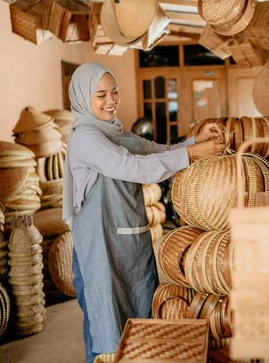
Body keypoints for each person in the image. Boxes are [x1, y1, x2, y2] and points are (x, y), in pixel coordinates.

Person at [62, 63, 224, 362]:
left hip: (130, 244)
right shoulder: (85, 137)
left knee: (138, 327)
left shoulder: (117, 133)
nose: (111, 100)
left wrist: (194, 141)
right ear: (84, 98)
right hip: (101, 248)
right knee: (105, 334)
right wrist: (190, 155)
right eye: (101, 95)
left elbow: (153, 151)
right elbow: (130, 166)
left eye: (115, 92)